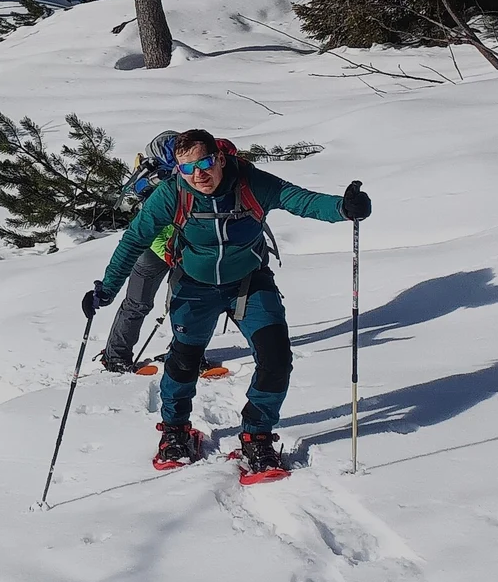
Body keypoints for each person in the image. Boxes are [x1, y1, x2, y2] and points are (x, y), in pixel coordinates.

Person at [82, 130, 371, 478]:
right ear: (177, 169)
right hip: (195, 286)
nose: (198, 174)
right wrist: (108, 288)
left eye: (205, 163)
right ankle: (175, 430)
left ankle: (257, 434)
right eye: (187, 168)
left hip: (250, 283)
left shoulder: (249, 181)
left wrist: (342, 208)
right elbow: (134, 239)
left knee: (276, 357)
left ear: (219, 158)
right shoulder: (171, 193)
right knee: (184, 360)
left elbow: (298, 199)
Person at [97, 131, 180, 374]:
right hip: (162, 247)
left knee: (139, 303)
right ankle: (117, 356)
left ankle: (117, 357)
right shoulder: (171, 177)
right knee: (183, 302)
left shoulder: (159, 175)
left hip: (159, 247)